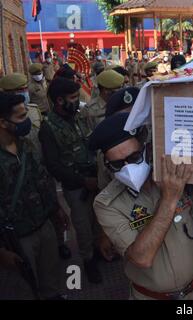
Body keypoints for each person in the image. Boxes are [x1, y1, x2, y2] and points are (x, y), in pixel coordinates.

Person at [89, 112, 193, 300]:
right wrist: (169, 199)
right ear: (108, 165)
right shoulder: (107, 203)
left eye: (134, 157)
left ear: (147, 149)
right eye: (118, 164)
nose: (128, 168)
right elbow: (142, 258)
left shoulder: (173, 177)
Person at [0, 92, 65, 299]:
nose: (26, 121)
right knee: (23, 287)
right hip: (16, 238)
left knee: (50, 279)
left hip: (43, 224)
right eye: (20, 118)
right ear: (3, 122)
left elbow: (43, 180)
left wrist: (57, 209)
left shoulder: (25, 145)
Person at [39, 77, 102, 284]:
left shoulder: (79, 116)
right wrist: (83, 182)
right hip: (76, 187)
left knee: (98, 221)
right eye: (73, 97)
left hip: (94, 178)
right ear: (59, 100)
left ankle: (100, 249)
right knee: (82, 226)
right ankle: (89, 261)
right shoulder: (48, 128)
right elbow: (54, 166)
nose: (77, 100)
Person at [0, 74, 43, 157]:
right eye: (20, 89)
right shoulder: (5, 114)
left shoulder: (34, 109)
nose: (25, 92)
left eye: (25, 88)